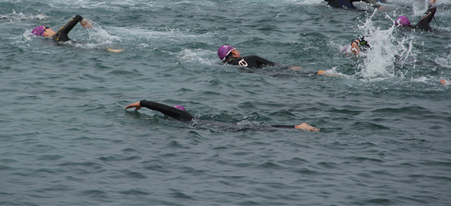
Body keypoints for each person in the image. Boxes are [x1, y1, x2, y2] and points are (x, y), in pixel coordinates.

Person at [125, 100, 319, 132]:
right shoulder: (189, 120)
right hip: (218, 127)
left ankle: (296, 127)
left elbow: (162, 107)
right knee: (254, 128)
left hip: (221, 129)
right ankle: (295, 127)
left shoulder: (184, 118)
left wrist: (143, 103)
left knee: (253, 129)